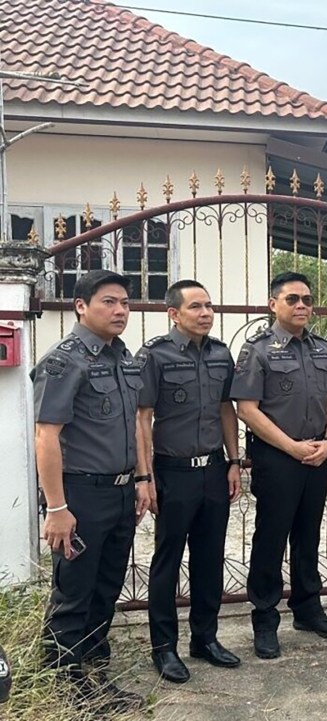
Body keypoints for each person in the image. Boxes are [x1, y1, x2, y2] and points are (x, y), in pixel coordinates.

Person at [31, 269, 152, 712]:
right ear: (81, 305)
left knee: (105, 590)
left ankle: (96, 678)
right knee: (75, 593)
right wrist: (57, 507)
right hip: (81, 496)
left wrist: (141, 479)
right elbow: (46, 436)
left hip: (120, 494)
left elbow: (136, 426)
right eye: (108, 302)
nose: (120, 310)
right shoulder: (66, 360)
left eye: (124, 302)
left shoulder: (122, 357)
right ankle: (66, 689)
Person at [230, 271, 327, 659]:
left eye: (307, 300)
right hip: (278, 458)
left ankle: (307, 608)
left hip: (317, 455)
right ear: (273, 304)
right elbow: (247, 409)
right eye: (293, 299)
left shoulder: (322, 348)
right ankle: (265, 618)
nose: (301, 306)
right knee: (271, 537)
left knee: (308, 534)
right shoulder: (258, 350)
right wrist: (292, 447)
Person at [136, 280, 243, 683]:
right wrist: (144, 475)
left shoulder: (220, 354)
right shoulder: (155, 355)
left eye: (209, 306)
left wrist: (234, 461)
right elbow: (142, 419)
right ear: (173, 313)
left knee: (209, 557)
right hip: (172, 472)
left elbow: (226, 409)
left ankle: (205, 638)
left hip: (214, 470)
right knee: (167, 561)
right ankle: (163, 648)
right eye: (196, 306)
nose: (205, 313)